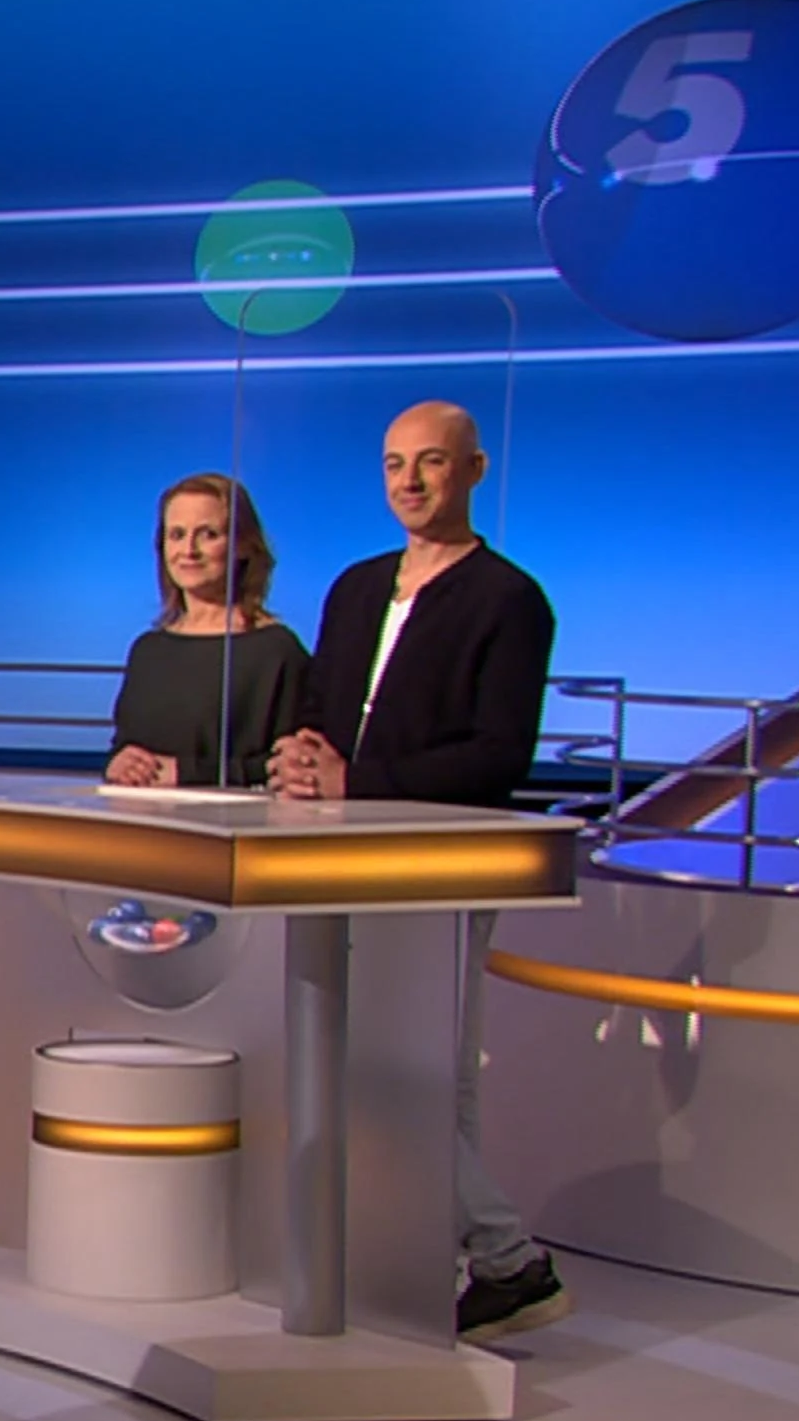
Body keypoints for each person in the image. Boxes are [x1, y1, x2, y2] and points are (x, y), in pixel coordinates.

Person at [267, 400, 566, 1345]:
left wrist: (358, 782)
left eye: (431, 462)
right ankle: (485, 1263)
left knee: (418, 1074)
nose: (410, 481)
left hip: (440, 866)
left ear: (473, 471)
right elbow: (322, 710)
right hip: (338, 860)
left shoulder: (510, 600)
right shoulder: (356, 588)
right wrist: (299, 760)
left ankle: (505, 1258)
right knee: (374, 1067)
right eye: (395, 463)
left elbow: (499, 756)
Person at [105, 471, 310, 789]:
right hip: (139, 816)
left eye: (208, 534)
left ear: (243, 546)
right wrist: (119, 763)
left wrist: (189, 773)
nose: (189, 550)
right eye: (176, 535)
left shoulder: (277, 651)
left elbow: (293, 766)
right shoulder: (147, 650)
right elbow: (124, 745)